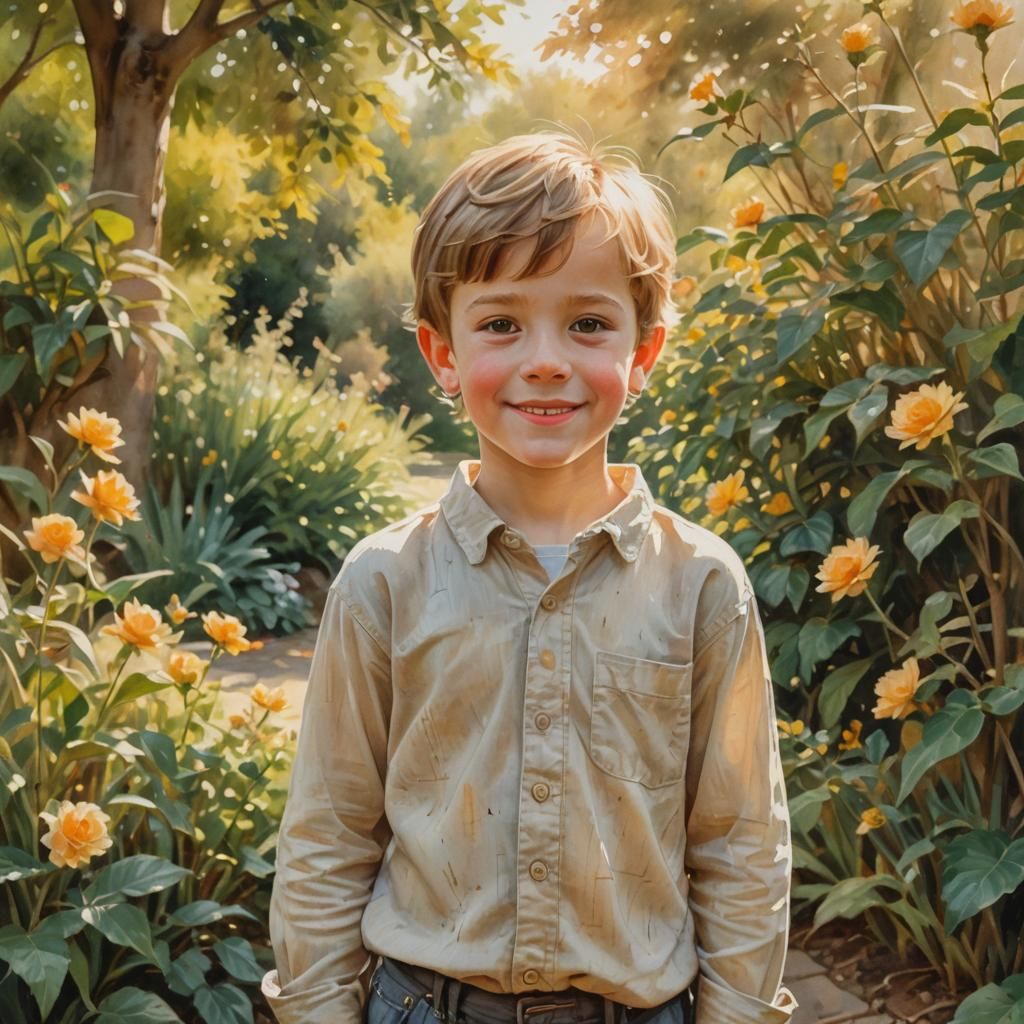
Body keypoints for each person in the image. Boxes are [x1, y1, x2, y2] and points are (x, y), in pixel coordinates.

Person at [260, 130, 798, 1024]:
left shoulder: (701, 584)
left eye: (587, 322)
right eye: (502, 323)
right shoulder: (384, 582)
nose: (545, 358)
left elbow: (740, 841)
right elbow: (329, 832)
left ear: (643, 351)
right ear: (442, 353)